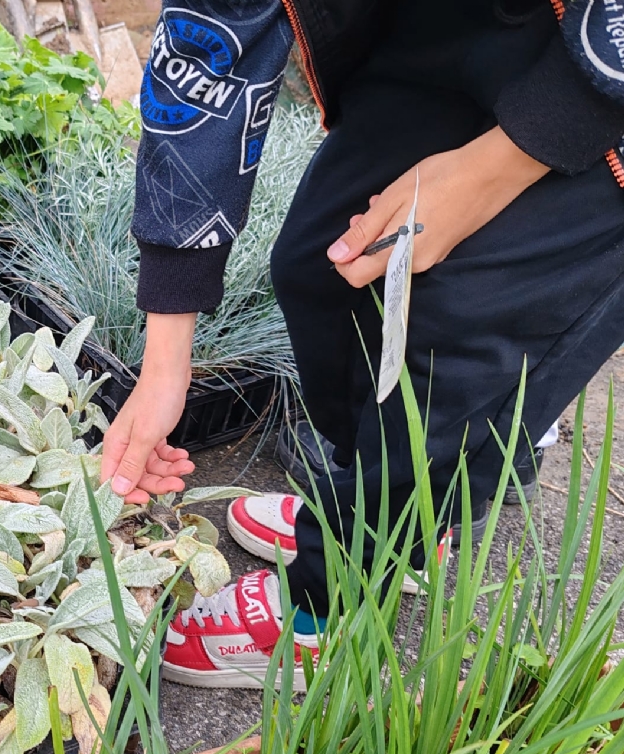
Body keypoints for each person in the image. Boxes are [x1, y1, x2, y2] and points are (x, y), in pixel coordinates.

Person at [100, 0, 624, 689]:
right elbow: (211, 41)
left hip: (606, 100)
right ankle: (388, 523)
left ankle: (324, 610)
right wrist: (166, 361)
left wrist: (498, 166)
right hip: (464, 24)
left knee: (453, 355)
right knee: (321, 268)